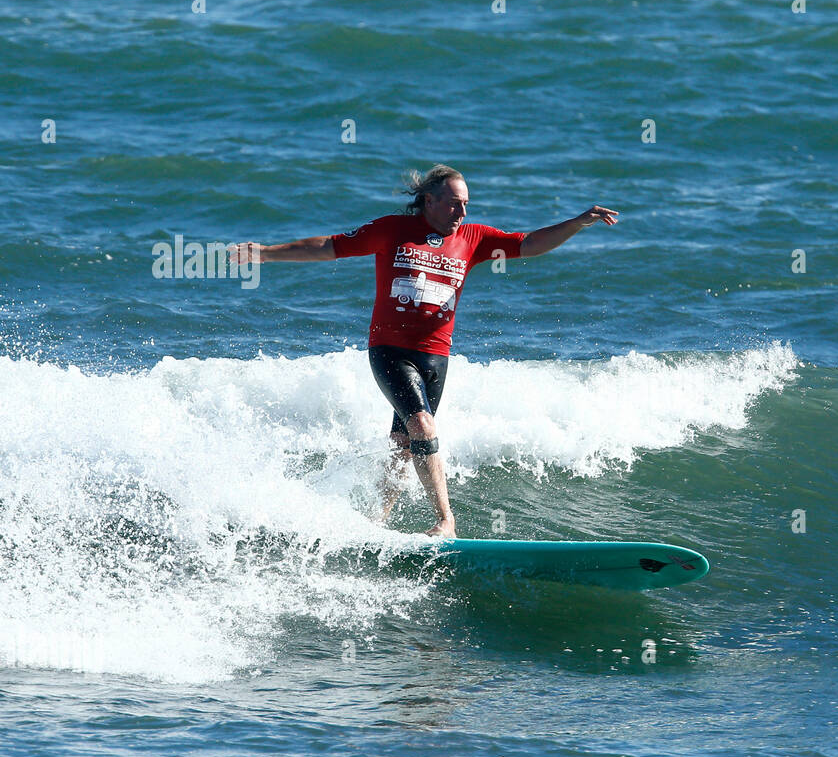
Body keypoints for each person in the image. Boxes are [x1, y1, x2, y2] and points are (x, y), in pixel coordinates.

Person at [229, 164, 617, 537]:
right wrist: (265, 252)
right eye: (453, 203)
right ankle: (446, 519)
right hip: (389, 349)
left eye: (466, 204)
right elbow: (329, 247)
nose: (462, 212)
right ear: (428, 200)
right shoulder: (392, 230)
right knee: (422, 425)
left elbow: (529, 244)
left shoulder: (473, 239)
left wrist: (577, 222)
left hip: (436, 356)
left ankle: (374, 522)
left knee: (403, 444)